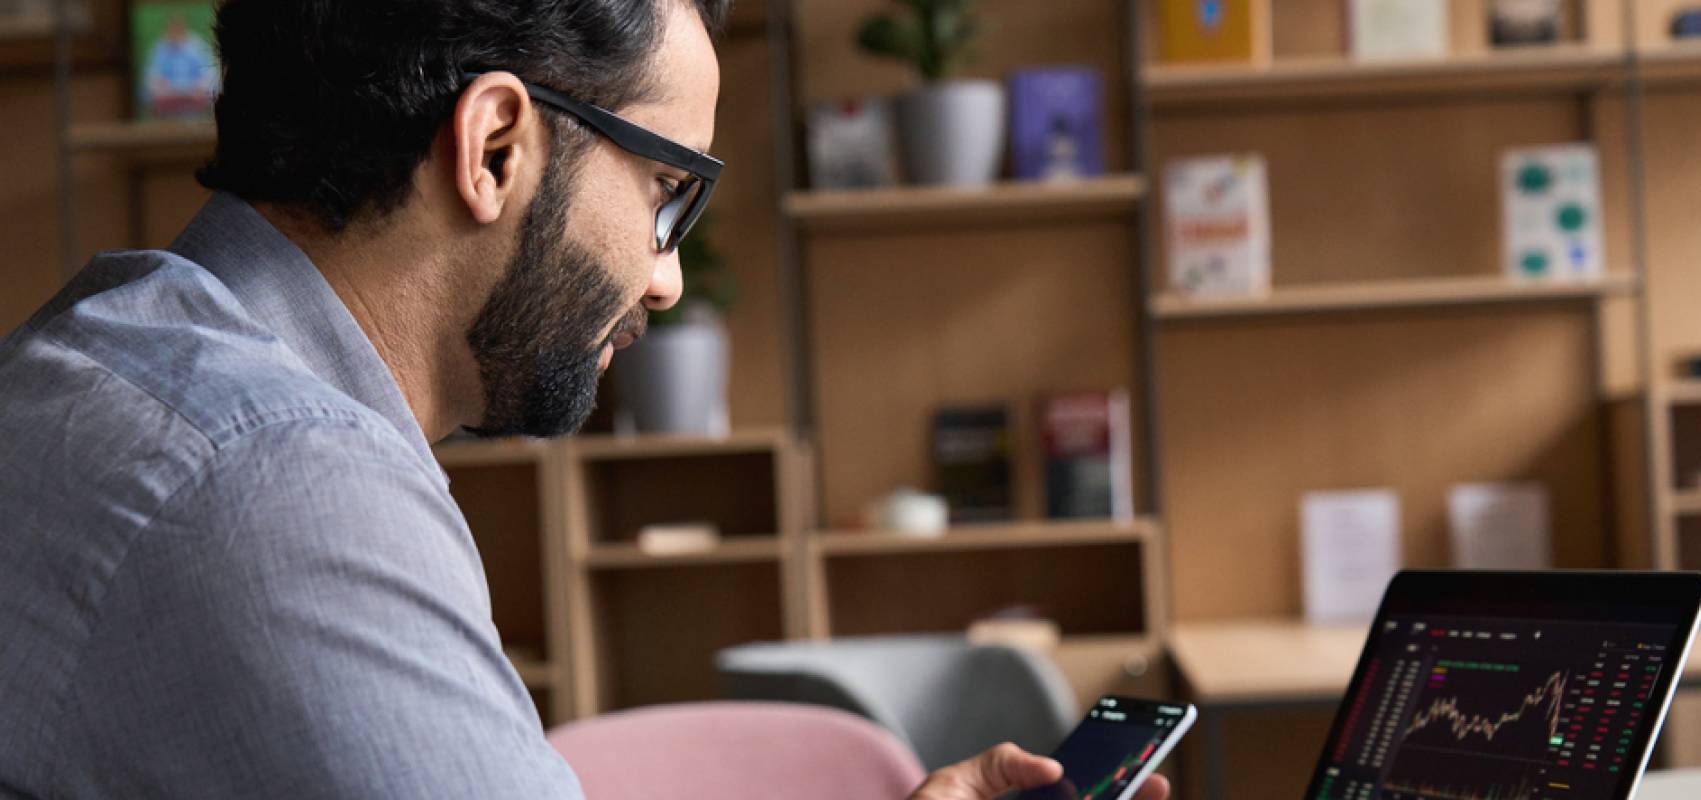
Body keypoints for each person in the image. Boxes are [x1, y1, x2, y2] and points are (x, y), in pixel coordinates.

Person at [0, 1, 1173, 797]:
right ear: (496, 145)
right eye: (668, 191)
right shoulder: (275, 482)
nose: (666, 274)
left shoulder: (103, 348)